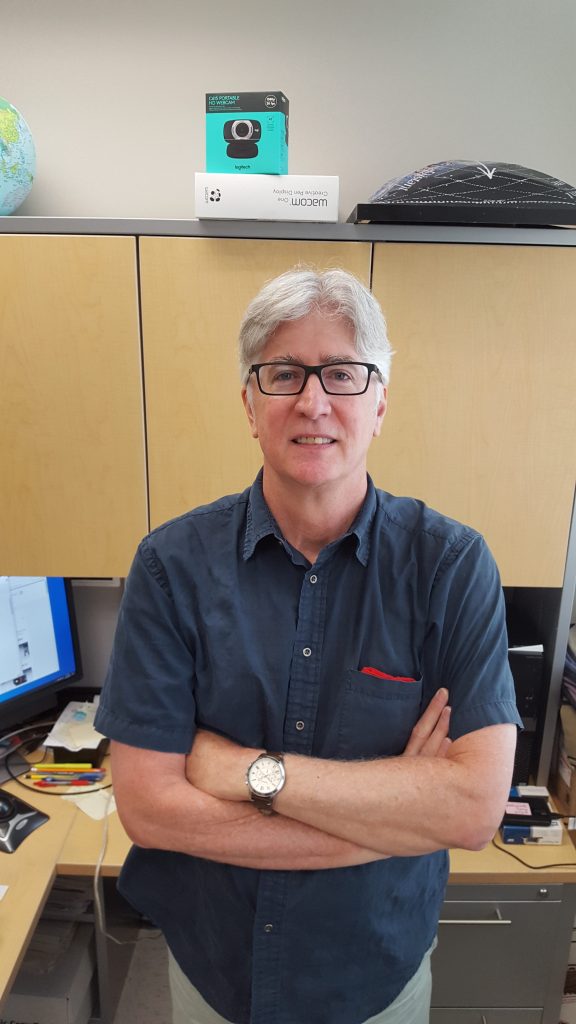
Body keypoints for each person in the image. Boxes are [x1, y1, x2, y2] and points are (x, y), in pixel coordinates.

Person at [94, 267, 522, 1024]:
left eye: (345, 374)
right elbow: (151, 810)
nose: (313, 400)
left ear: (380, 401)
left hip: (374, 983)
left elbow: (472, 811)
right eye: (284, 372)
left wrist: (242, 771)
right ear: (250, 404)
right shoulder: (171, 567)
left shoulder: (452, 567)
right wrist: (387, 819)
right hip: (213, 977)